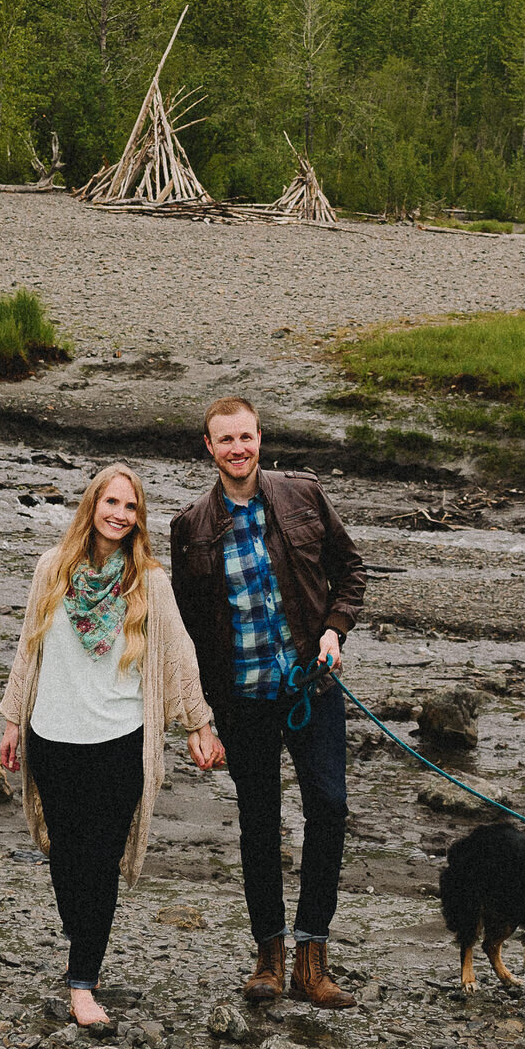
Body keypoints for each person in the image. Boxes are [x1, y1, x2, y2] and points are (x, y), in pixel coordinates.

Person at [0, 462, 224, 1029]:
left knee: (99, 864)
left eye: (131, 507)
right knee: (65, 857)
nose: (120, 515)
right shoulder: (52, 569)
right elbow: (30, 650)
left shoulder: (148, 580)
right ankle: (86, 942)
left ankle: (81, 982)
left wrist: (200, 724)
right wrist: (10, 721)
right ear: (91, 506)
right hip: (52, 737)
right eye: (112, 503)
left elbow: (177, 654)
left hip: (120, 743)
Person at [170, 395, 366, 1008]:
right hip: (243, 701)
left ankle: (313, 958)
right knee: (259, 824)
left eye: (246, 438)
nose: (238, 449)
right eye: (225, 440)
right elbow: (187, 630)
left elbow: (352, 570)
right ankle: (268, 959)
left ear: (260, 439)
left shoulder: (302, 494)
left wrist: (333, 629)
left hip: (312, 686)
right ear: (209, 447)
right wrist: (199, 716)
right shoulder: (190, 527)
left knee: (329, 809)